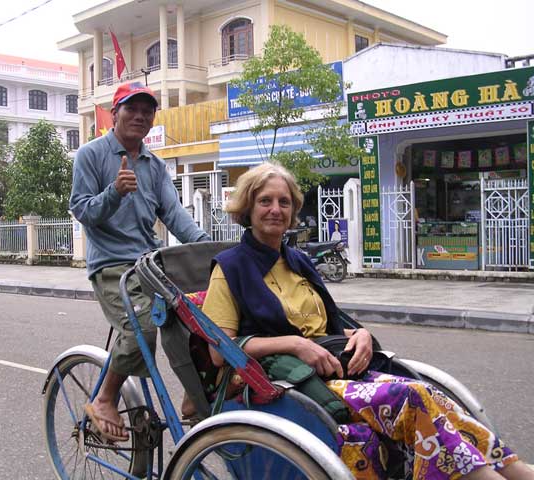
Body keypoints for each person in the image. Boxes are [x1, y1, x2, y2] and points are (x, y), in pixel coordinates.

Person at [201, 163, 532, 480]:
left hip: (334, 367)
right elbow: (220, 352)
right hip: (288, 383)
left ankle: (511, 470)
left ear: (292, 211)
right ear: (248, 207)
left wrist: (360, 334)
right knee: (412, 398)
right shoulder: (230, 268)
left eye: (283, 202)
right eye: (265, 201)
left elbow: (324, 326)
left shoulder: (296, 261)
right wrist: (295, 345)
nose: (275, 209)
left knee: (430, 393)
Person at [70, 82, 209, 442]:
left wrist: (208, 249)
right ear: (114, 114)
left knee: (205, 314)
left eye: (147, 111)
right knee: (144, 327)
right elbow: (83, 210)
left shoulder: (155, 165)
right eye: (131, 109)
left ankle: (196, 395)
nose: (140, 116)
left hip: (152, 262)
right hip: (112, 265)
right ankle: (105, 398)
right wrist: (114, 192)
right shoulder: (91, 155)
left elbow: (176, 215)